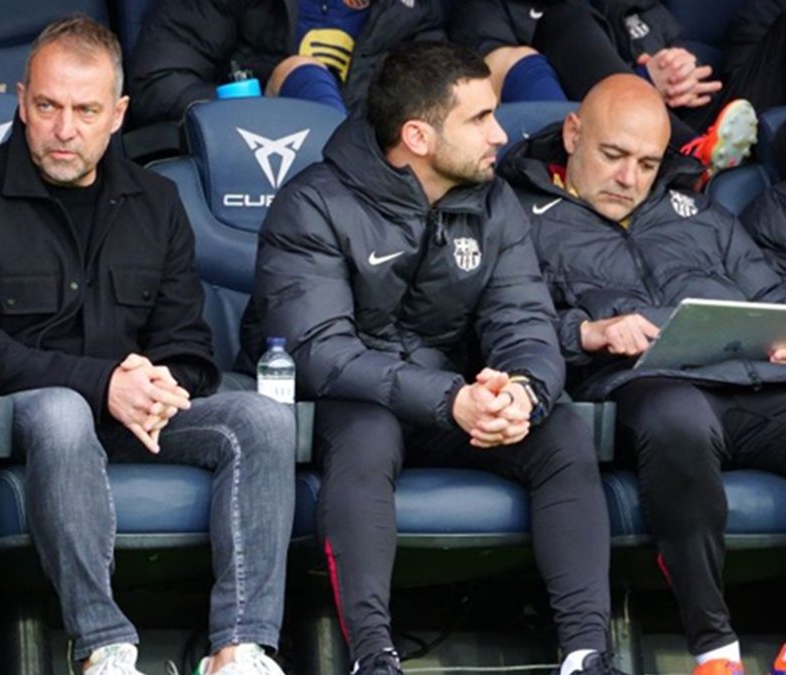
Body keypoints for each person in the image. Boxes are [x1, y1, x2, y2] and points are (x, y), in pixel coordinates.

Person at [0, 15, 295, 675]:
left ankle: (239, 648)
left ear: (118, 114)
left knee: (262, 418)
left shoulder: (158, 201)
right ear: (21, 102)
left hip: (132, 415)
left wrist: (160, 384)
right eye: (48, 107)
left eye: (86, 111)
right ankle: (104, 648)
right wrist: (104, 385)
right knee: (62, 411)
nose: (64, 129)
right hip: (21, 413)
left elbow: (188, 345)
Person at [241, 41, 620, 675]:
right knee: (366, 433)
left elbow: (524, 320)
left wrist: (521, 391)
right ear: (417, 136)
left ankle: (586, 655)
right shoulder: (313, 204)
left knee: (559, 430)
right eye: (480, 119)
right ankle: (373, 658)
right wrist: (450, 399)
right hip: (349, 403)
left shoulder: (494, 201)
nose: (500, 134)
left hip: (457, 400)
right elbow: (320, 353)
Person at [498, 73, 786, 675]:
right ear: (573, 134)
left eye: (648, 164)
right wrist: (588, 332)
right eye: (613, 155)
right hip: (640, 386)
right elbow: (504, 323)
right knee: (675, 418)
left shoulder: (695, 208)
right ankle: (715, 649)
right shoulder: (516, 213)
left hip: (751, 377)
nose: (629, 178)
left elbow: (768, 290)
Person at [450, 0, 759, 180]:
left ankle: (692, 157)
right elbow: (483, 82)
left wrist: (679, 70)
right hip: (576, 147)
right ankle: (689, 155)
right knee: (566, 17)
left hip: (674, 121)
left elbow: (677, 51)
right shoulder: (486, 12)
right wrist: (642, 82)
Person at [127, 0, 445, 126]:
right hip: (247, 167)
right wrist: (264, 112)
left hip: (369, 188)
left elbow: (438, 112)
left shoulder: (413, 12)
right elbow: (158, 85)